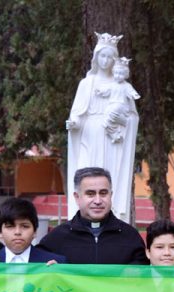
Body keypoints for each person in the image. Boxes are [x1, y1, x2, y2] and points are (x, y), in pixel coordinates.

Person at [0, 167, 147, 265]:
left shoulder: (130, 237)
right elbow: (24, 253)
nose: (97, 200)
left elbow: (144, 282)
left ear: (111, 195)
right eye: (90, 193)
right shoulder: (57, 238)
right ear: (76, 197)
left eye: (103, 193)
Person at [66, 33, 139, 221]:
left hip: (111, 139)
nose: (105, 61)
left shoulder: (121, 85)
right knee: (85, 173)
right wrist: (74, 123)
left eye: (109, 57)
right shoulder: (86, 84)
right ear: (96, 57)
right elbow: (78, 113)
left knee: (110, 173)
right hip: (89, 135)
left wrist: (123, 121)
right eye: (102, 56)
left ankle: (111, 217)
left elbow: (132, 116)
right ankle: (82, 215)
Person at [0, 197, 66, 264]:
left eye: (25, 226)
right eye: (10, 226)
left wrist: (59, 275)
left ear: (35, 231)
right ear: (0, 231)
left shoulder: (54, 263)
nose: (17, 232)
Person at [100, 58, 140, 144]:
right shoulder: (112, 84)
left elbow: (131, 91)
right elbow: (106, 90)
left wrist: (134, 95)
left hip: (121, 105)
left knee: (112, 113)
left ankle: (115, 133)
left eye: (121, 74)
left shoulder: (126, 85)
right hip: (112, 105)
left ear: (125, 75)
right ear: (114, 73)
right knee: (106, 119)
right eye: (116, 73)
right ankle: (114, 135)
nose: (118, 76)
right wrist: (100, 91)